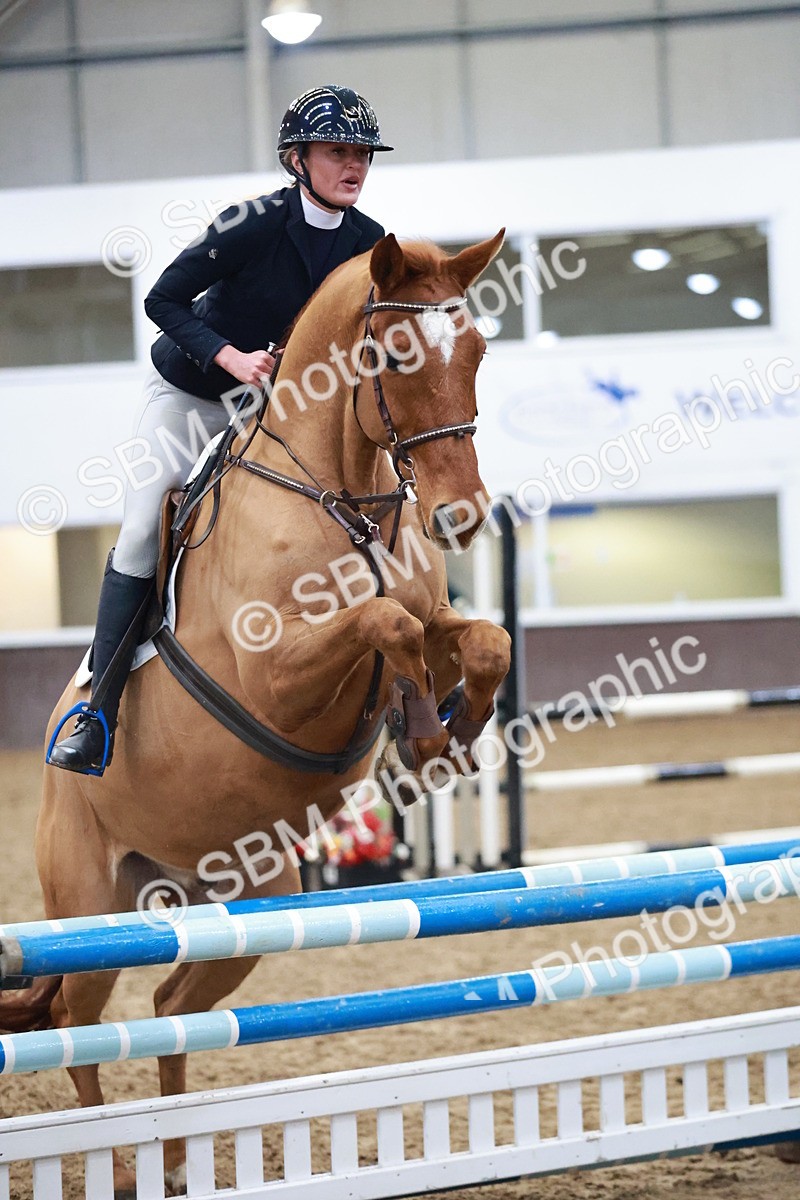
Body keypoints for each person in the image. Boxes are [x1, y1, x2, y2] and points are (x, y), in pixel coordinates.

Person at [49, 84, 392, 774]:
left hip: (273, 408)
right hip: (192, 391)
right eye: (337, 152)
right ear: (297, 159)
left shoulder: (369, 243)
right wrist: (229, 355)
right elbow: (162, 298)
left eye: (362, 154)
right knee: (145, 523)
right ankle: (98, 711)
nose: (353, 165)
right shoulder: (251, 223)